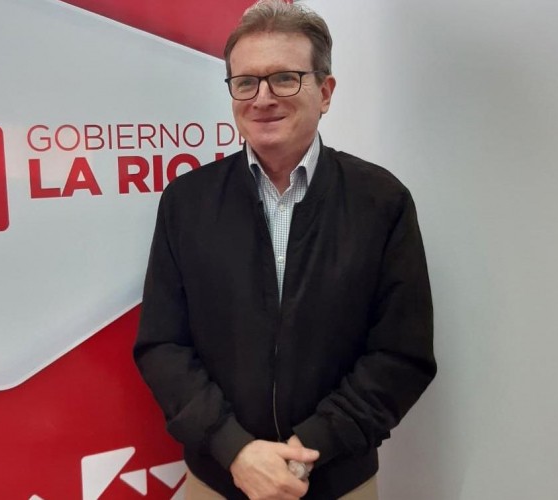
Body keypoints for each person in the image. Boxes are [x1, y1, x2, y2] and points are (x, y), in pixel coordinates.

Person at [133, 1, 436, 498]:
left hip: (337, 479)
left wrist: (307, 450)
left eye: (285, 79)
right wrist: (235, 450)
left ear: (325, 91)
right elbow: (163, 345)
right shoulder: (187, 202)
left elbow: (401, 354)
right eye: (246, 82)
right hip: (219, 478)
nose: (263, 98)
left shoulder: (382, 201)